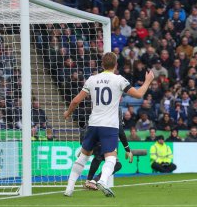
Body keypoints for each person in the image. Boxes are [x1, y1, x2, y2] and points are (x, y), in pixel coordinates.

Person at [64, 52, 154, 197]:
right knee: (111, 158)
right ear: (116, 65)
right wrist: (148, 81)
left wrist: (68, 113)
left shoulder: (92, 79)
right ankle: (103, 180)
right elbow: (138, 94)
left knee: (83, 157)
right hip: (110, 126)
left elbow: (75, 101)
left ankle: (69, 188)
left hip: (93, 124)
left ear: (102, 65)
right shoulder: (119, 79)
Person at [83, 109, 134, 190]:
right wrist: (127, 149)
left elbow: (88, 126)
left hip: (95, 136)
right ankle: (95, 181)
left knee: (98, 157)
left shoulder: (98, 107)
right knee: (116, 164)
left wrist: (85, 144)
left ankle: (88, 181)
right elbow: (120, 131)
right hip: (108, 140)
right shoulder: (116, 109)